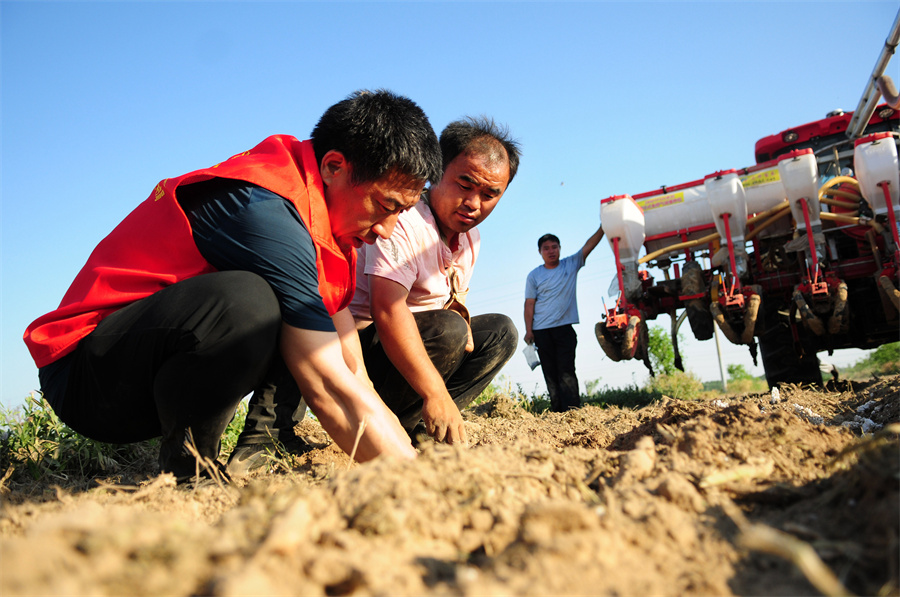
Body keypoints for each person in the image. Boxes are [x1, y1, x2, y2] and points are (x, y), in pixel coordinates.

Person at [23, 89, 443, 479]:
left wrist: (408, 456)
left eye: (402, 213)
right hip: (88, 376)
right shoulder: (262, 206)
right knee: (249, 302)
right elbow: (327, 384)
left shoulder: (327, 226)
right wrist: (414, 486)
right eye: (386, 206)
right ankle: (191, 469)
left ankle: (216, 454)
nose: (387, 231)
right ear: (334, 167)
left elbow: (354, 374)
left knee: (296, 315)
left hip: (148, 373)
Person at [349, 117, 521, 445]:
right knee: (449, 330)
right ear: (437, 172)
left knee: (500, 332)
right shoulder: (405, 221)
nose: (473, 203)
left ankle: (423, 428)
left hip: (417, 345)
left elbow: (452, 303)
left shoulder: (471, 240)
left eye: (489, 194)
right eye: (465, 184)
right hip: (361, 351)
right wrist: (435, 391)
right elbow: (386, 310)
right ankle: (388, 423)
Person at [523, 226, 604, 412]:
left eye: (554, 247)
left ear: (560, 248)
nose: (551, 251)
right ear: (540, 252)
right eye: (546, 248)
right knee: (550, 373)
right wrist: (529, 330)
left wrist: (603, 228)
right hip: (541, 331)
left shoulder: (571, 264)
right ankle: (556, 411)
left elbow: (588, 246)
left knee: (567, 370)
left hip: (564, 329)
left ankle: (572, 411)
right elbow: (529, 304)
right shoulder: (534, 275)